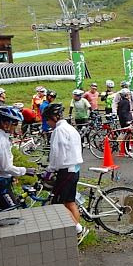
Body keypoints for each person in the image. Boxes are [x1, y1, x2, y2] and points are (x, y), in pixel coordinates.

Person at [41, 103, 86, 242]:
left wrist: (49, 171)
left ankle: (79, 230)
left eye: (47, 120)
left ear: (54, 118)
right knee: (70, 202)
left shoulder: (59, 131)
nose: (47, 123)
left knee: (57, 204)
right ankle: (75, 234)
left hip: (65, 171)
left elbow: (56, 155)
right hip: (74, 169)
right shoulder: (70, 128)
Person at [0, 106, 36, 210]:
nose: (17, 127)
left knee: (4, 210)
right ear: (5, 123)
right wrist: (25, 170)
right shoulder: (1, 140)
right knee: (13, 212)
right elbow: (5, 167)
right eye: (15, 124)